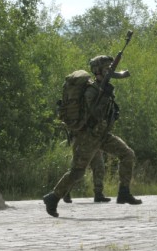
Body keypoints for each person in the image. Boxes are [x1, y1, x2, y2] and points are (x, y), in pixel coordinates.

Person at [43, 55, 142, 217]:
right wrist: (104, 95)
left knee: (127, 154)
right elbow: (95, 113)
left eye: (111, 68)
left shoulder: (102, 88)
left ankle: (124, 192)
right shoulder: (92, 90)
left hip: (102, 135)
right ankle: (53, 198)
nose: (111, 70)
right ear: (98, 71)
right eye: (107, 68)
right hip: (87, 137)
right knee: (77, 172)